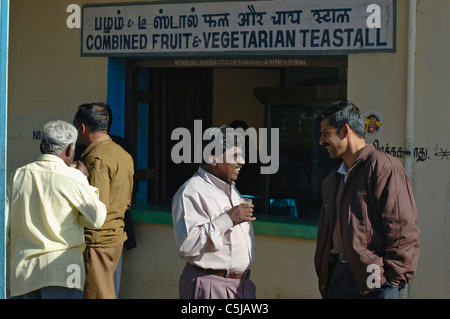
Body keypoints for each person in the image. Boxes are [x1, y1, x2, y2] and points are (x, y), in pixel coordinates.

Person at [314, 101, 420, 299]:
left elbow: (401, 229)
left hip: (375, 280)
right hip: (339, 276)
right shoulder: (336, 176)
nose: (321, 141)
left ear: (345, 131)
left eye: (325, 133)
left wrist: (390, 281)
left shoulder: (384, 168)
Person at [6, 120, 107, 299]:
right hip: (66, 272)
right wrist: (85, 181)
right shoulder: (74, 178)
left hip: (23, 274)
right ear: (69, 149)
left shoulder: (18, 176)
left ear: (42, 146)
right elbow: (97, 219)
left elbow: (4, 229)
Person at [172, 125, 256, 299]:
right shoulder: (192, 191)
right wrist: (228, 219)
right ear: (212, 158)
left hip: (240, 286)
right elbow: (187, 245)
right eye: (235, 155)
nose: (242, 161)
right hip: (211, 286)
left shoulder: (231, 190)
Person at [73, 103, 134, 299]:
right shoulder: (122, 154)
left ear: (83, 128)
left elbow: (97, 208)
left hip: (98, 240)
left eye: (76, 128)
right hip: (115, 235)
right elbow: (127, 200)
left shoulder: (95, 158)